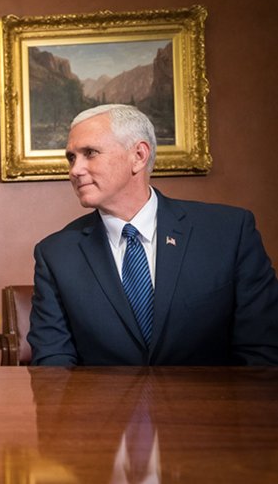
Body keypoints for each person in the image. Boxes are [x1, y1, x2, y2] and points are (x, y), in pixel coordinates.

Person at [28, 104, 278, 365]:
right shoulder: (56, 254)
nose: (75, 170)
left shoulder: (229, 233)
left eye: (90, 153)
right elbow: (53, 367)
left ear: (138, 155)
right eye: (71, 158)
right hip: (101, 406)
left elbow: (263, 353)